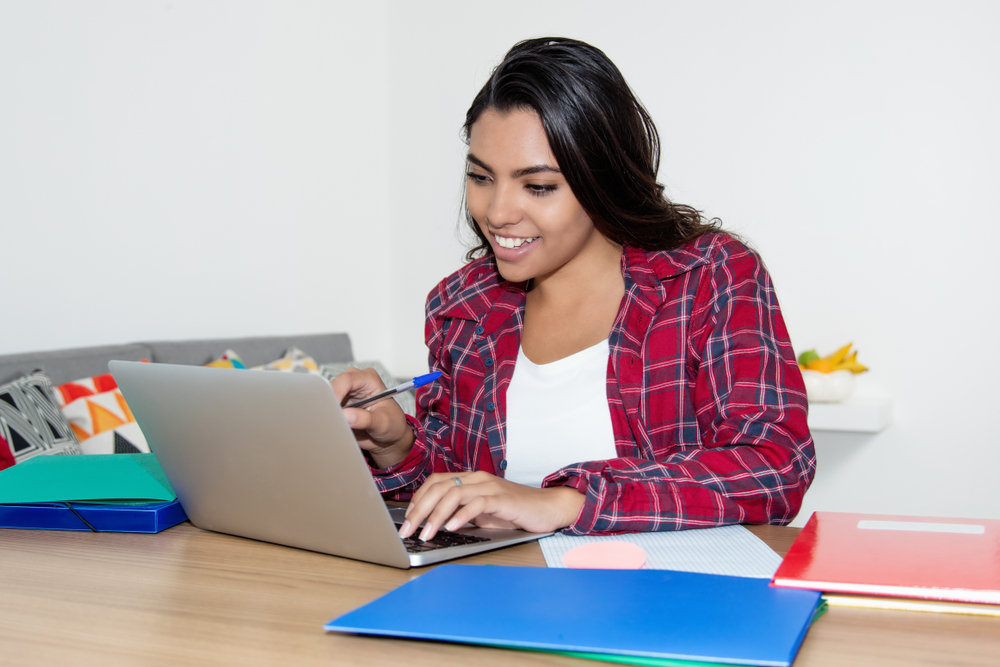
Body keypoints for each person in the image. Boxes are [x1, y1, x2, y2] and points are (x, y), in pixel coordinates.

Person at [332, 37, 815, 542]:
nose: (497, 213)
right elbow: (457, 486)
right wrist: (395, 444)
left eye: (538, 186)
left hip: (661, 599)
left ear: (602, 178)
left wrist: (567, 502)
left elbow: (775, 467)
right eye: (480, 177)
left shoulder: (710, 276)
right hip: (496, 594)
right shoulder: (461, 306)